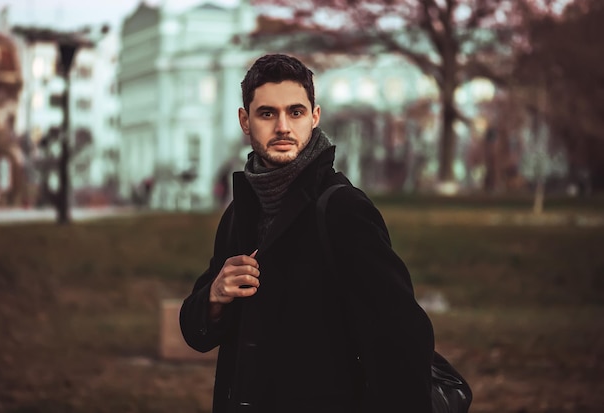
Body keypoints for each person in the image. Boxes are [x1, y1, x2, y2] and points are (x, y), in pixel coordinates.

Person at [180, 54, 435, 413]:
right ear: (245, 121)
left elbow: (403, 341)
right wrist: (215, 297)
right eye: (267, 113)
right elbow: (195, 332)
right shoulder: (240, 212)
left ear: (314, 117)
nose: (283, 126)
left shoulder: (343, 210)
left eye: (295, 112)